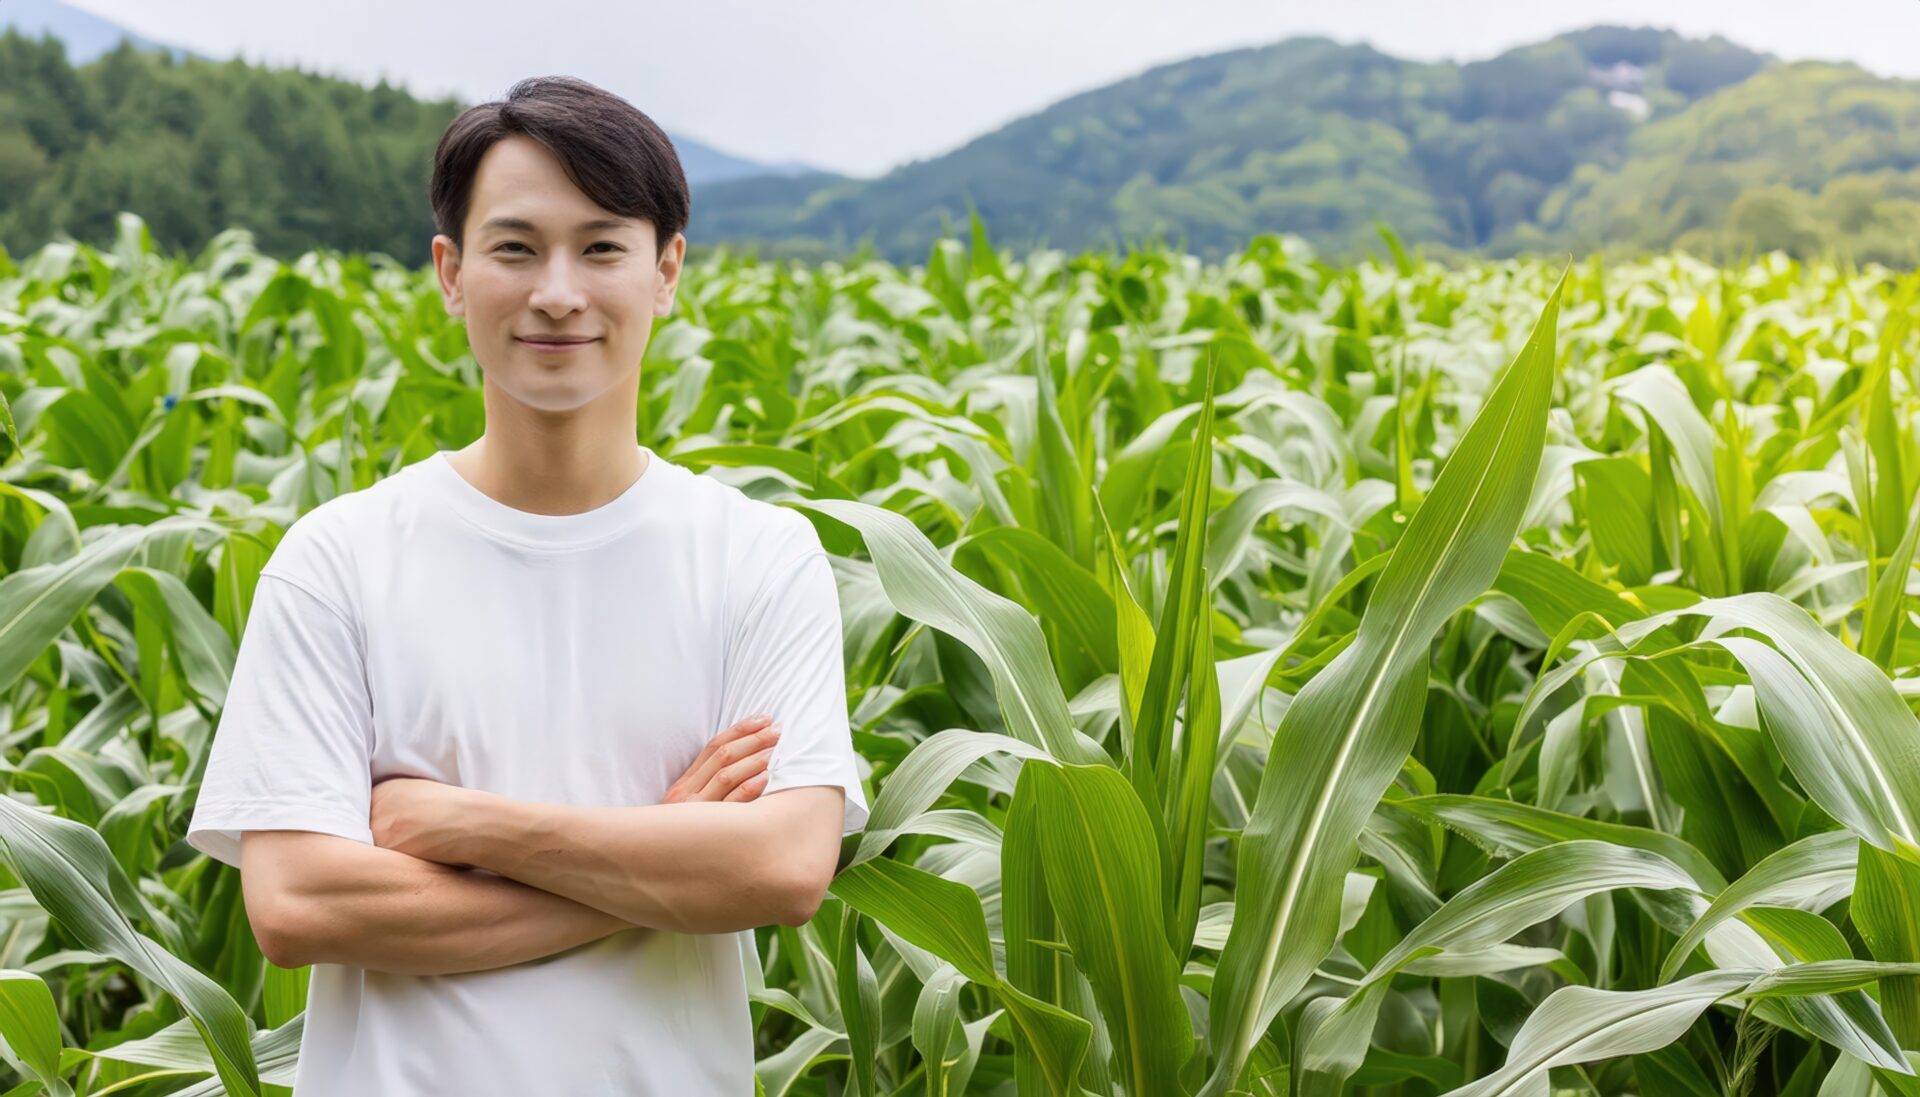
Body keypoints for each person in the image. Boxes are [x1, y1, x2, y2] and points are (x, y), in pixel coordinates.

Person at [185, 74, 869, 1095]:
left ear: (667, 270)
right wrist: (669, 850)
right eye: (515, 248)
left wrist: (465, 826)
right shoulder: (338, 560)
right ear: (451, 272)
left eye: (601, 247)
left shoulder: (758, 557)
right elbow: (297, 908)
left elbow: (780, 869)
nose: (558, 290)